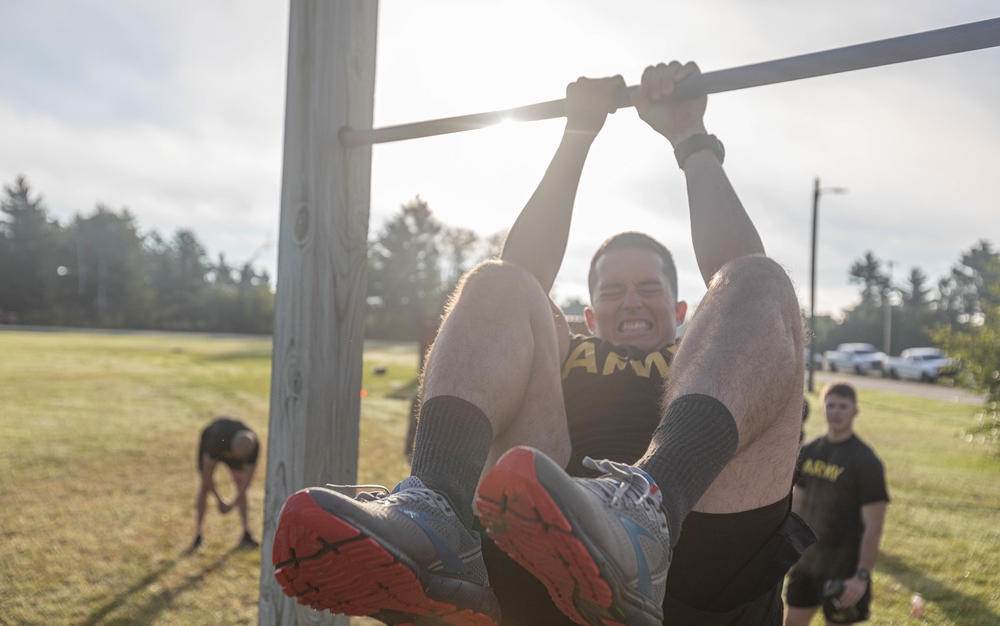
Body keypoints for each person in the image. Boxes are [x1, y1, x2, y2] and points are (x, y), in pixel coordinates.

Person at [272, 61, 815, 625]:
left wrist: (690, 138)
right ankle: (438, 515)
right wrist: (576, 134)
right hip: (556, 561)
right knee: (499, 283)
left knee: (760, 281)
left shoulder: (709, 364)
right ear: (589, 313)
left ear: (683, 312)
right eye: (615, 290)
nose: (632, 301)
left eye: (650, 289)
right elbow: (520, 278)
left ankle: (650, 513)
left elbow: (745, 282)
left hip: (701, 566)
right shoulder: (563, 349)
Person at [785, 382, 889, 625]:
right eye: (830, 405)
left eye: (843, 406)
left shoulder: (866, 461)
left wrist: (861, 576)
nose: (836, 412)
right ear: (822, 409)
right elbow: (796, 507)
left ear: (855, 411)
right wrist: (787, 553)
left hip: (844, 569)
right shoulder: (809, 450)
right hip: (806, 563)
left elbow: (874, 525)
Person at [192, 417, 260, 550]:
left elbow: (247, 479)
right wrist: (219, 500)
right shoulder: (216, 440)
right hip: (213, 440)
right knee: (205, 487)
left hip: (235, 447)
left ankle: (246, 532)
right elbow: (207, 474)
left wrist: (233, 502)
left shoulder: (253, 446)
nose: (238, 460)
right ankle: (198, 534)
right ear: (232, 447)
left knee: (240, 482)